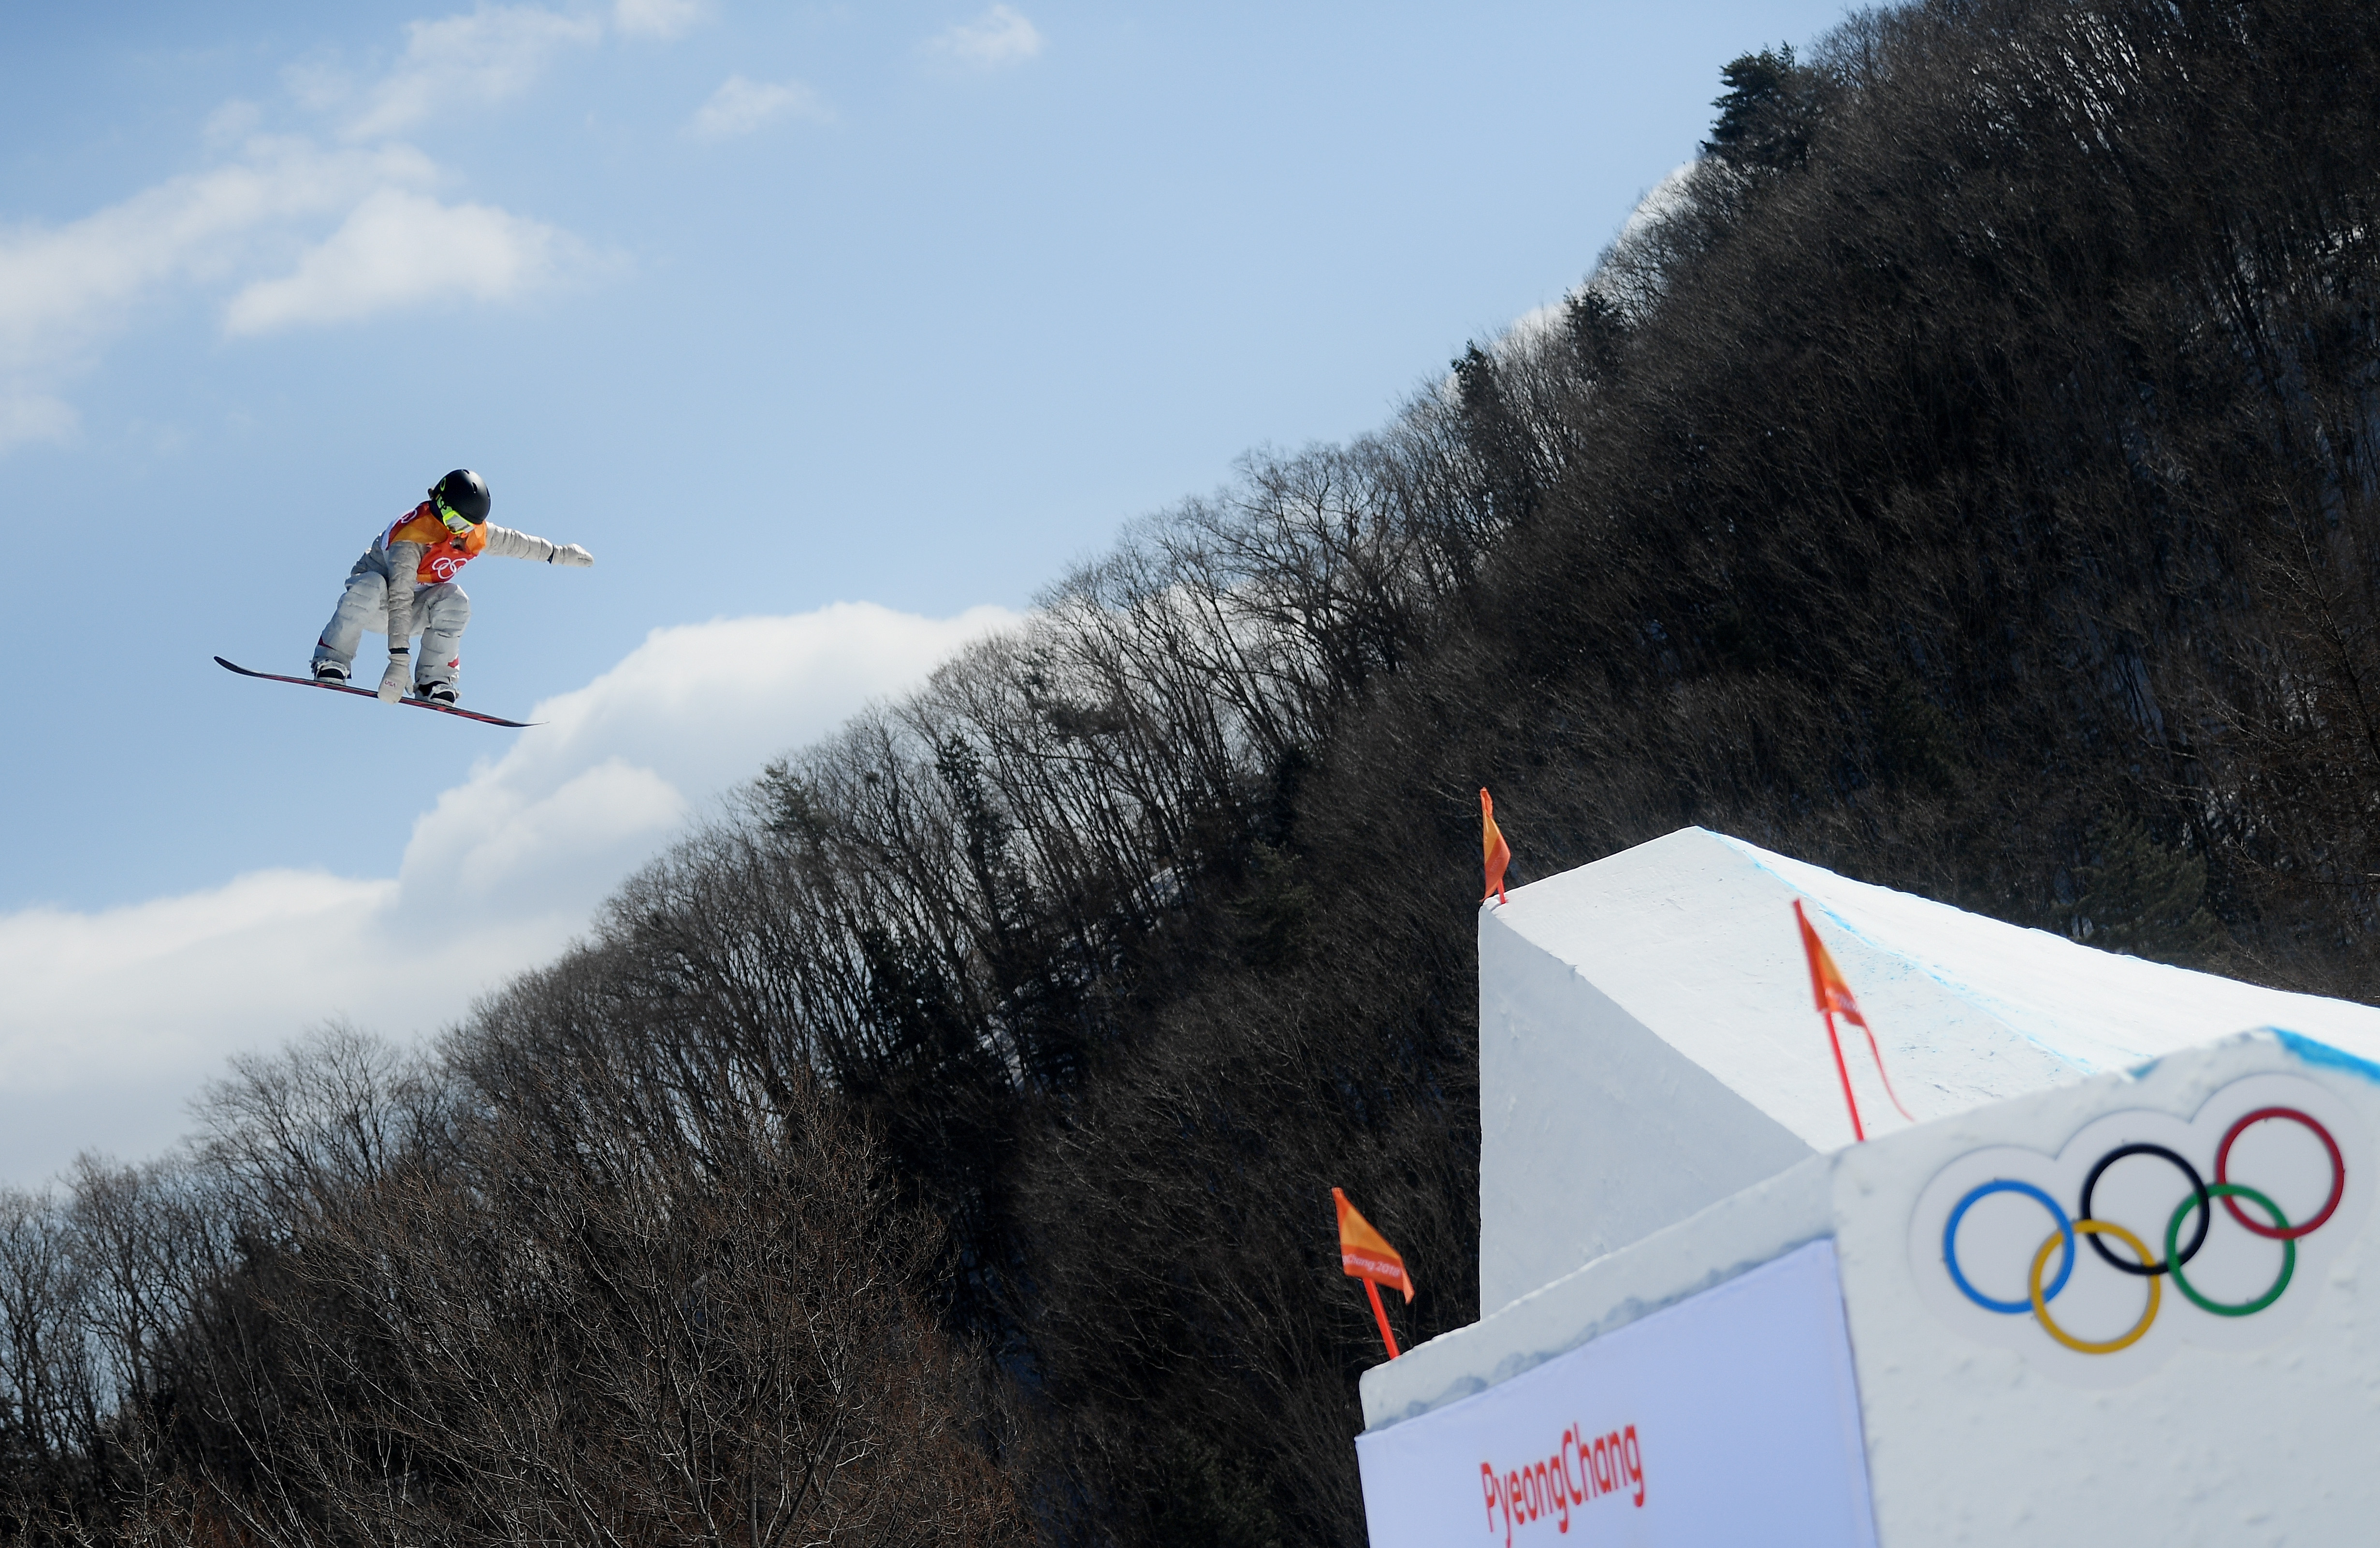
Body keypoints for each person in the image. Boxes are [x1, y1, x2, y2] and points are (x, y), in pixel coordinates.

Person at [310, 469, 593, 705]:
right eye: (457, 523)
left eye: (470, 526)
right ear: (442, 509)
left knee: (455, 601)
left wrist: (559, 553)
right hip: (380, 604)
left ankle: (434, 679)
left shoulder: (469, 532)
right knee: (370, 586)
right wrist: (398, 661)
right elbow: (399, 596)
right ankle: (332, 658)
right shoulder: (412, 539)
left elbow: (514, 543)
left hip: (416, 609)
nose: (462, 534)